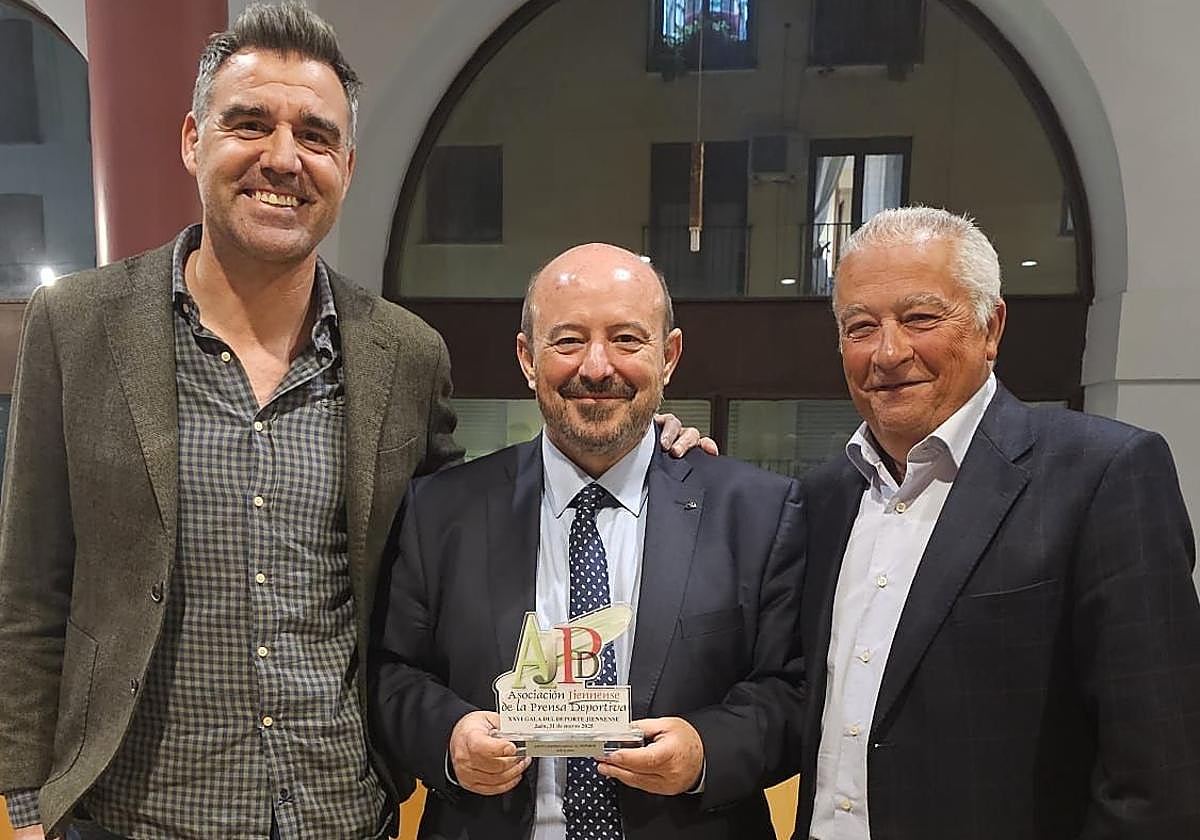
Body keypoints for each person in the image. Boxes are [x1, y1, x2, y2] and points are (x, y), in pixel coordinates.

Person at [0, 5, 704, 839]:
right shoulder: (78, 326)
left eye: (315, 135)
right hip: (137, 816)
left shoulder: (404, 355)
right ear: (193, 140)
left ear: (347, 164)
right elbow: (30, 587)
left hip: (338, 811)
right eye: (250, 124)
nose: (283, 158)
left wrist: (634, 452)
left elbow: (465, 550)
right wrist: (27, 806)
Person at [369, 243, 807, 840]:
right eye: (568, 341)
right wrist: (449, 739)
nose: (597, 368)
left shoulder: (758, 512)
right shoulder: (441, 510)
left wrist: (708, 749)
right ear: (528, 358)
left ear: (668, 356)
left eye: (626, 340)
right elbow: (391, 672)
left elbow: (792, 688)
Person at [794, 206, 1200, 839]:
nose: (888, 352)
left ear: (991, 326)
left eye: (920, 318)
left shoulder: (1102, 475)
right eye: (861, 327)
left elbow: (1158, 775)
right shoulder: (824, 498)